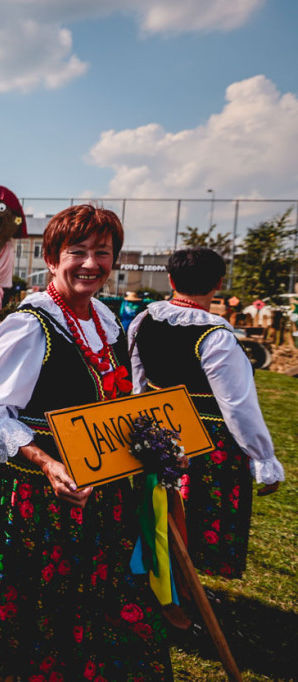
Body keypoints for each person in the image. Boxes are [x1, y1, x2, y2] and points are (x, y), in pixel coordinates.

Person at [0, 205, 172, 680]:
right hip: (38, 496)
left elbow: (120, 400)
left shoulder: (108, 321)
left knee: (97, 601)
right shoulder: (30, 324)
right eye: (78, 252)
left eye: (103, 253)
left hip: (102, 490)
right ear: (53, 258)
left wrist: (152, 440)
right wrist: (46, 462)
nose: (91, 264)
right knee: (39, 608)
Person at [128, 247, 284, 578]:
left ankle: (167, 584)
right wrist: (264, 459)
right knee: (195, 519)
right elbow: (238, 407)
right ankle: (183, 587)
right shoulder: (216, 336)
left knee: (162, 515)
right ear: (219, 284)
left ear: (170, 279)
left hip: (158, 435)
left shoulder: (144, 320)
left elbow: (137, 385)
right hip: (207, 447)